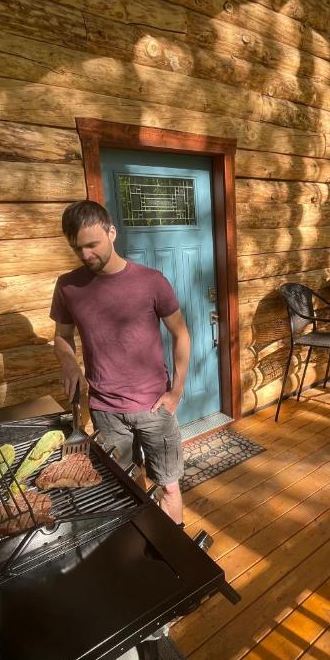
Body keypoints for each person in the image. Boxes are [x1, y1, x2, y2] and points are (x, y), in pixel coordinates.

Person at [50, 200, 190, 525]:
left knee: (169, 487)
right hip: (105, 411)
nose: (85, 255)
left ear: (112, 232)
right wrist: (69, 362)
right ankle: (146, 535)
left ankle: (178, 547)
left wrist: (177, 391)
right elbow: (61, 336)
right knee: (128, 484)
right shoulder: (68, 286)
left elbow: (181, 333)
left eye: (92, 244)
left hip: (154, 408)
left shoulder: (151, 281)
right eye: (77, 248)